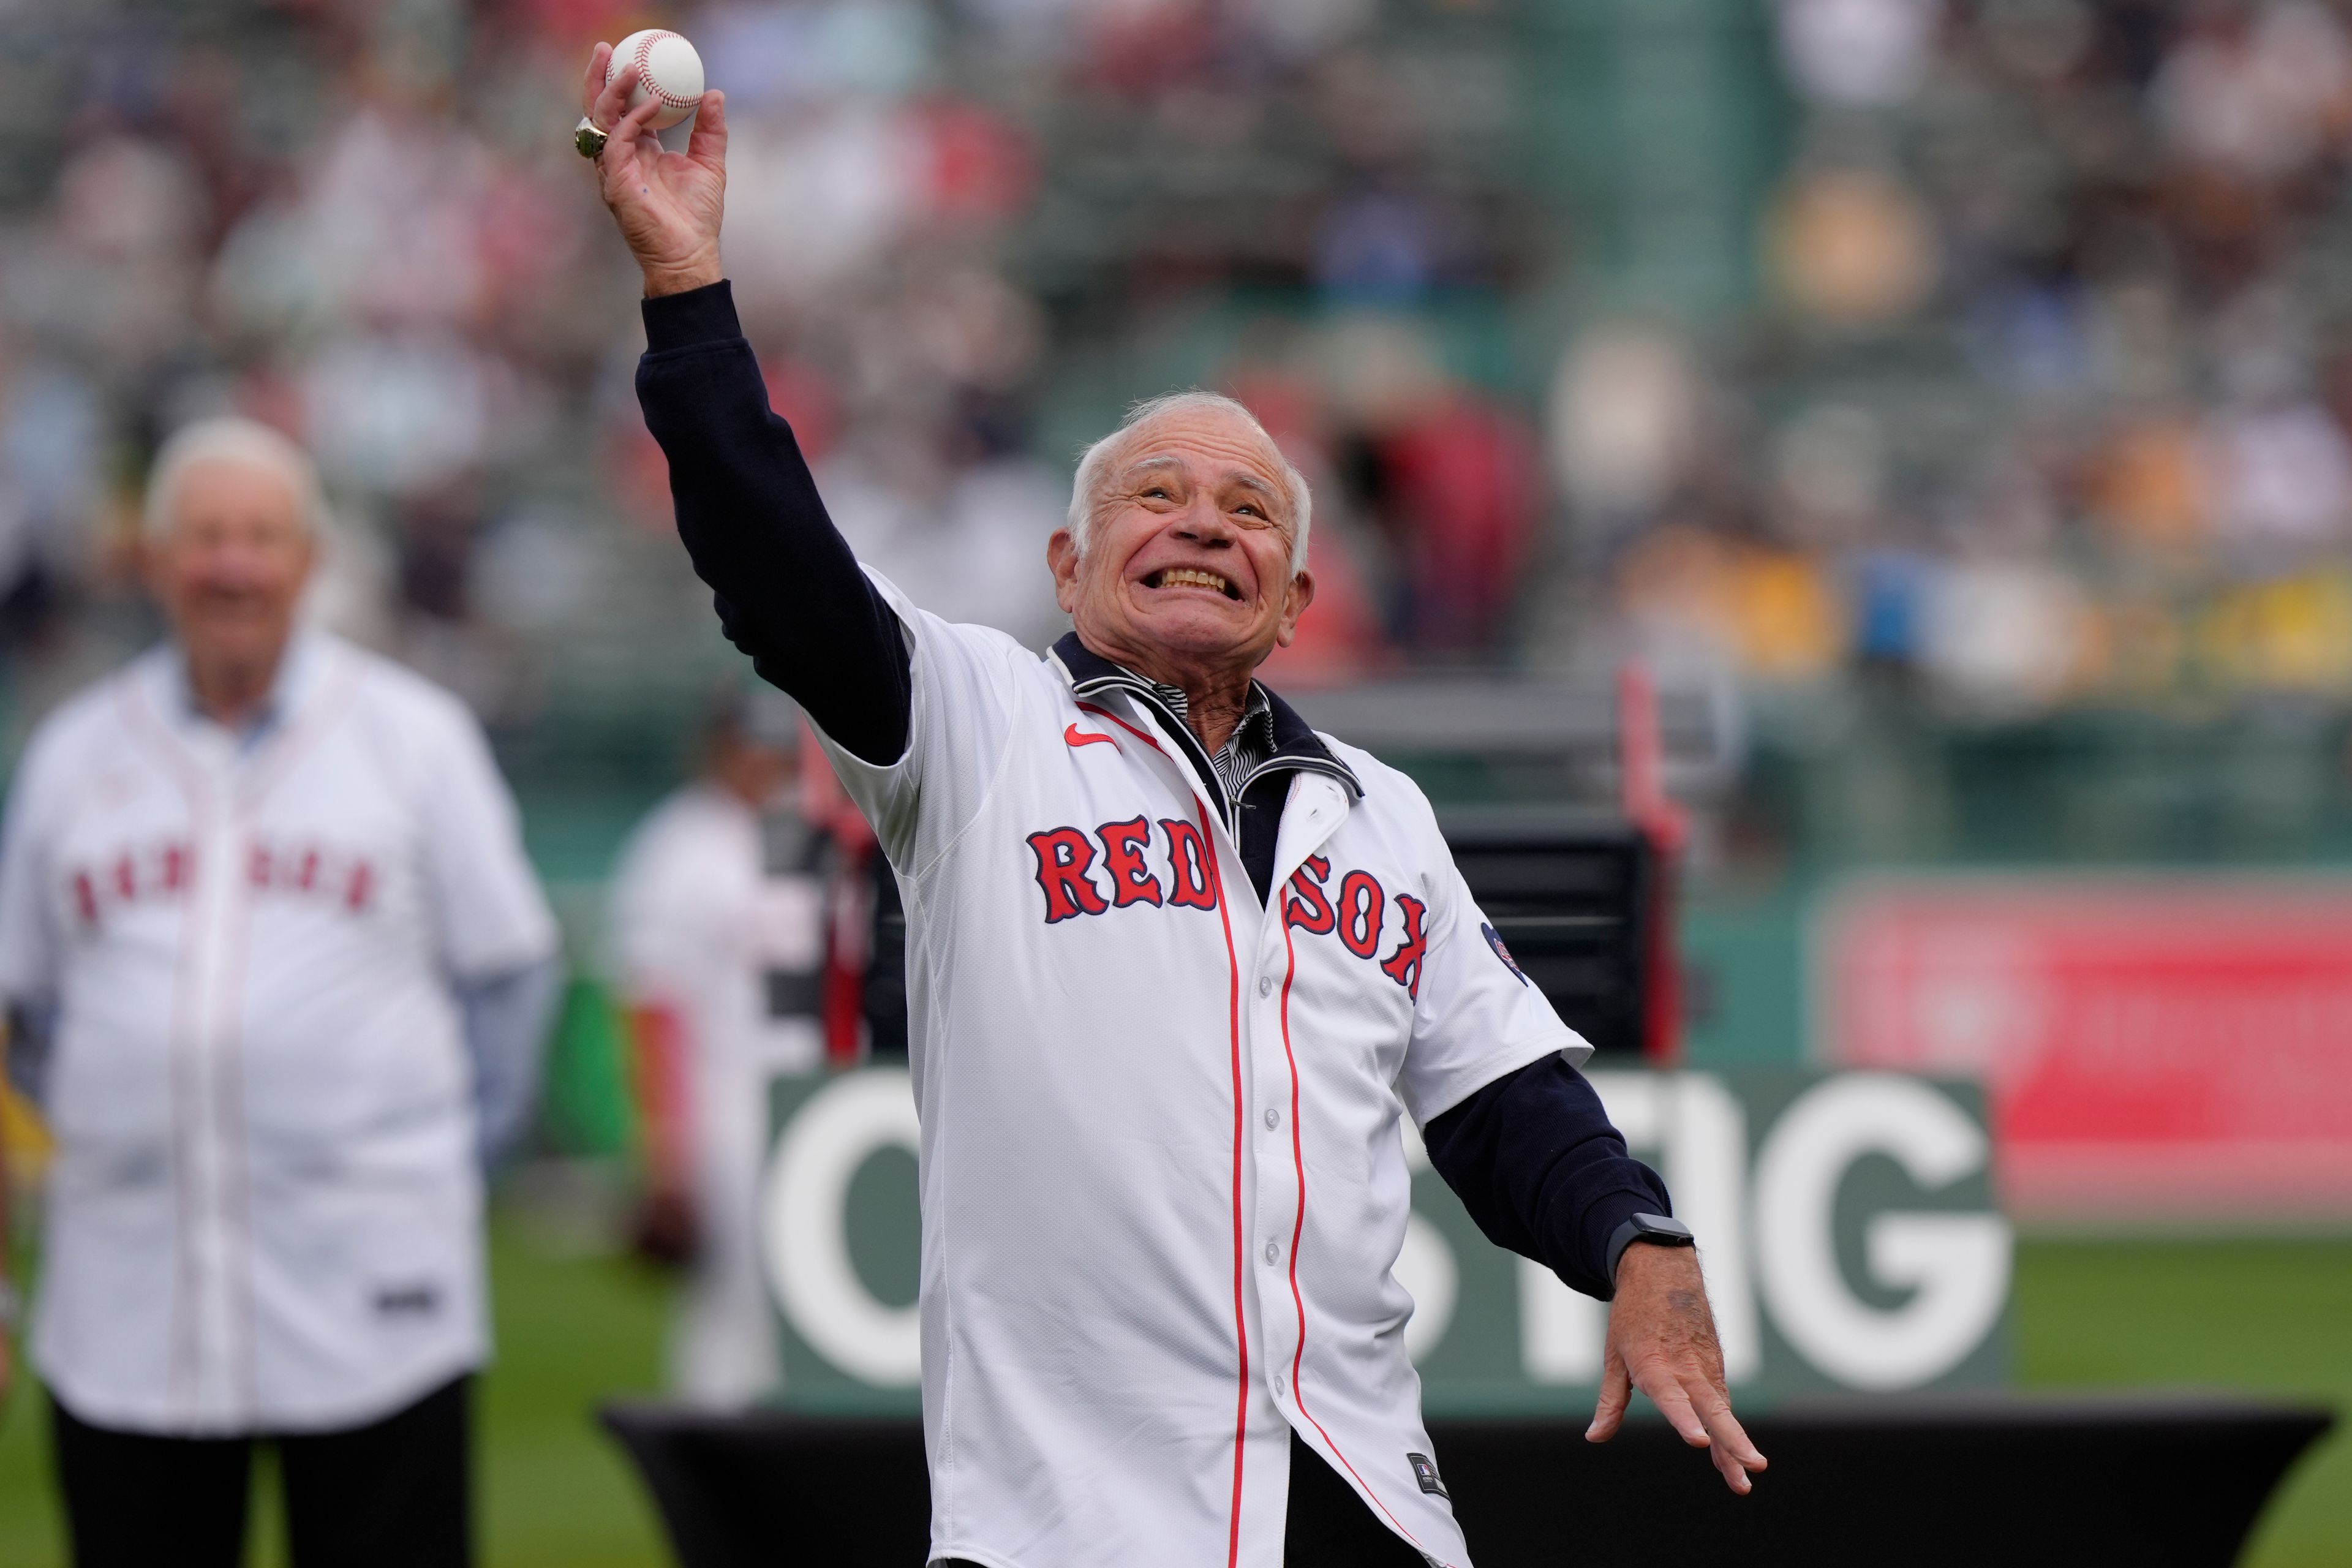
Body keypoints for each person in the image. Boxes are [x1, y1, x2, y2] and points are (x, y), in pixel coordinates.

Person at [579, 51, 1766, 1568]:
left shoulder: (1377, 813)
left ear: (1297, 599)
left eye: (1250, 506)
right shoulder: (975, 724)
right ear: (1068, 568)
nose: (1203, 517)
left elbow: (1499, 1096)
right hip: (1066, 1513)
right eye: (1153, 493)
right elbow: (776, 568)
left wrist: (1637, 1238)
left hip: (1354, 1489)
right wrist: (686, 287)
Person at [0, 417, 561, 1568]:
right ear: (152, 561)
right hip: (127, 1296)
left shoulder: (415, 738)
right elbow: (26, 1018)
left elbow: (509, 983)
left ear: (309, 560)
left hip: (374, 1295)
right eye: (203, 537)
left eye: (260, 536)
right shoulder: (72, 753)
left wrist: (434, 1173)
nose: (232, 564)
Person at [608, 682, 828, 1406]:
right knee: (733, 1313)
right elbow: (653, 1008)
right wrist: (665, 1152)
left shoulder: (810, 827)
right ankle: (712, 1465)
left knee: (814, 1308)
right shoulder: (678, 844)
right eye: (747, 747)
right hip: (722, 1111)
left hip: (813, 1096)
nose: (760, 764)